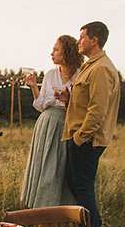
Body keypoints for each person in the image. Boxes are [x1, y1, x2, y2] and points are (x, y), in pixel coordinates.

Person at [59, 21, 120, 227]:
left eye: (82, 37)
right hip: (80, 137)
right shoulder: (90, 66)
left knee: (83, 189)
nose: (78, 41)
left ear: (94, 40)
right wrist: (69, 100)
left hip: (87, 139)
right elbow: (86, 103)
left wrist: (79, 138)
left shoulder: (101, 68)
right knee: (78, 186)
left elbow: (97, 110)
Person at [20, 35, 84, 208]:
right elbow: (41, 105)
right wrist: (34, 86)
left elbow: (83, 105)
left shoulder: (81, 74)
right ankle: (42, 208)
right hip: (47, 123)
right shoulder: (50, 74)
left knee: (61, 167)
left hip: (68, 124)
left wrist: (68, 100)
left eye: (56, 50)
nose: (52, 53)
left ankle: (62, 208)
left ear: (67, 52)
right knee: (44, 167)